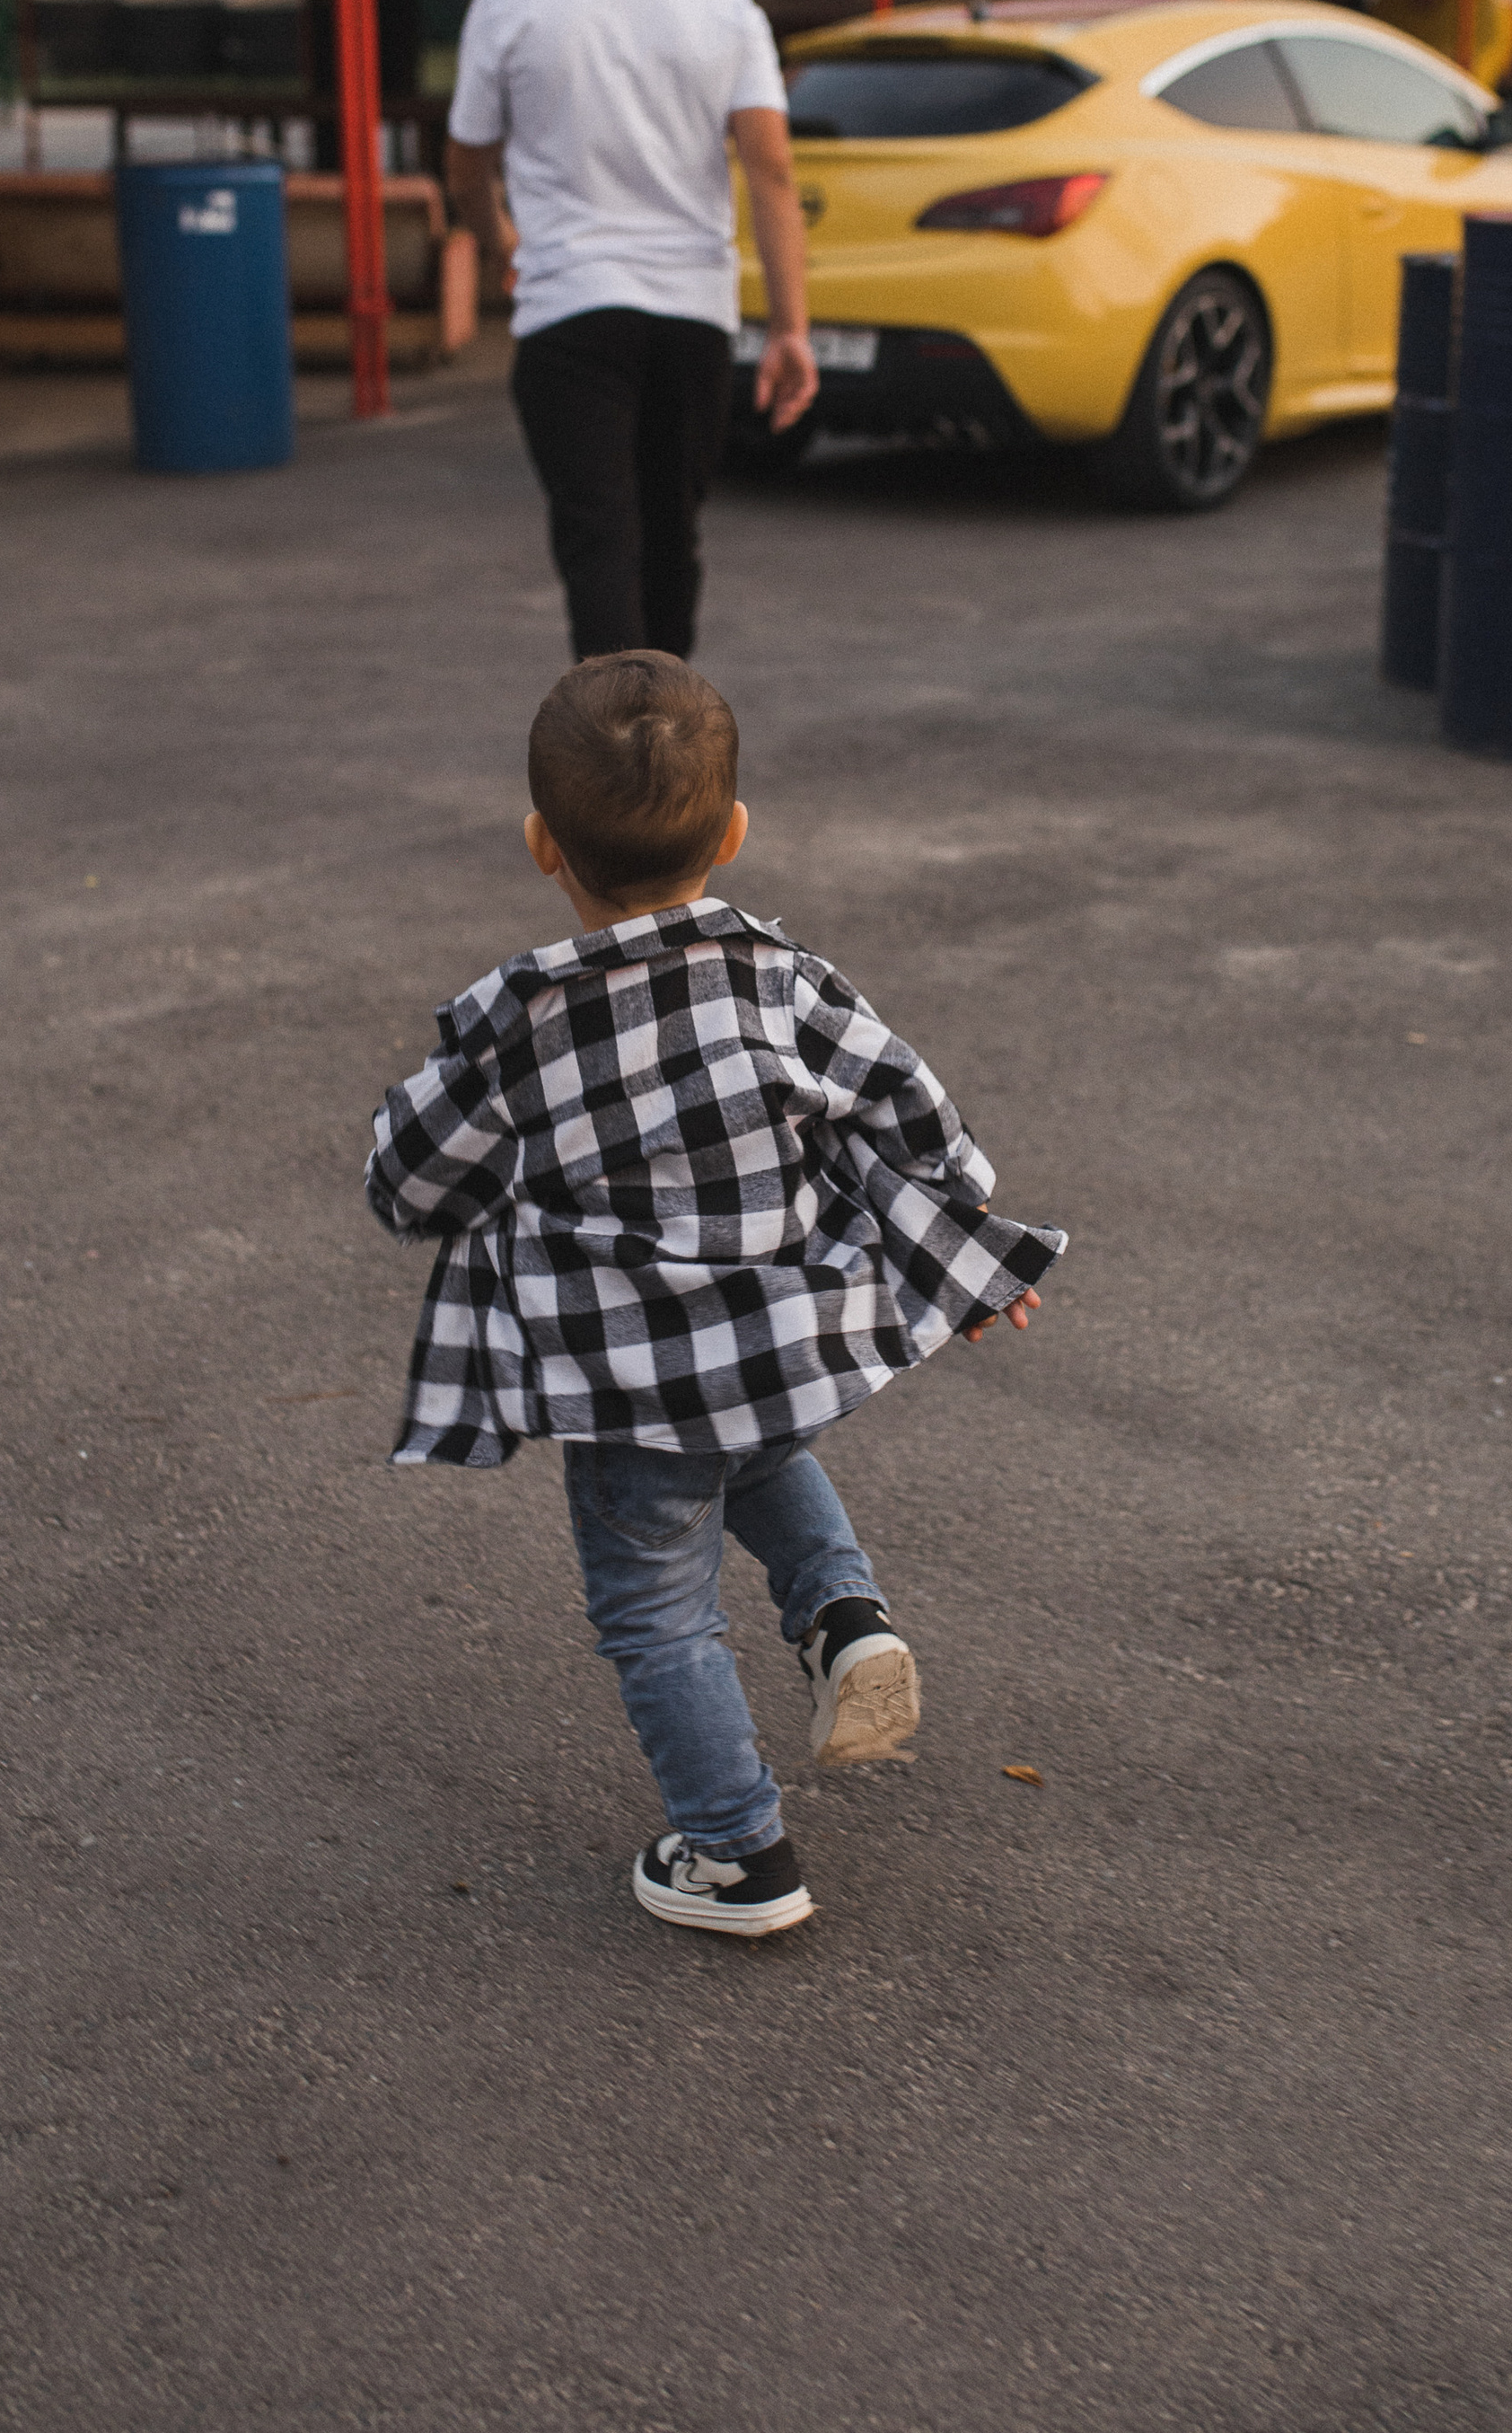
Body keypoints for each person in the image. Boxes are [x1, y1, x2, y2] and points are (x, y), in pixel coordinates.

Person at [364, 652, 1067, 1938]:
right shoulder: (781, 978)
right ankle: (843, 1616)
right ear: (734, 833)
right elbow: (912, 1112)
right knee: (758, 1449)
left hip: (632, 1384)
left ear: (541, 844)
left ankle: (738, 1854)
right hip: (780, 1336)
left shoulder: (521, 1026)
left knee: (655, 1613)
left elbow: (408, 1180)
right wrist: (968, 1242)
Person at [444, 0, 819, 665]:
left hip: (568, 311)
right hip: (691, 316)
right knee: (670, 542)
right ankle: (673, 737)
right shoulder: (726, 9)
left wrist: (503, 244)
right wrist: (790, 328)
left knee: (598, 549)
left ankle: (611, 744)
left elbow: (466, 166)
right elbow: (771, 173)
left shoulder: (506, 3)